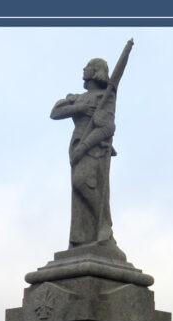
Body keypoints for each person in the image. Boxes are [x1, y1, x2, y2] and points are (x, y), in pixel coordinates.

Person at [50, 58, 120, 253]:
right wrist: (79, 108)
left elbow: (107, 128)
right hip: (77, 144)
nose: (84, 69)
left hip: (94, 148)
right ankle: (84, 239)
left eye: (88, 66)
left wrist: (85, 147)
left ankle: (104, 226)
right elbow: (55, 112)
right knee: (79, 188)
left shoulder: (105, 97)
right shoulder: (79, 97)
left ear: (96, 71)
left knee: (82, 182)